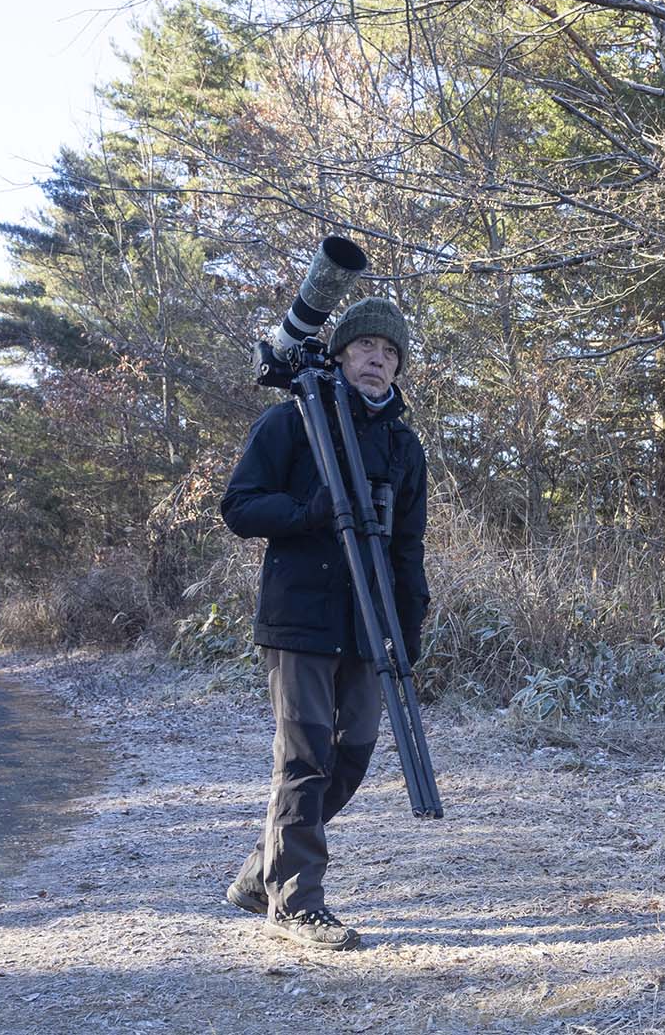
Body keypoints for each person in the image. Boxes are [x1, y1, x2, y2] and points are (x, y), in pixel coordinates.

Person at [219, 297, 430, 950]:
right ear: (341, 353)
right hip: (300, 619)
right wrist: (312, 510)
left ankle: (262, 874)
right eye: (367, 346)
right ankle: (298, 903)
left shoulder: (402, 443)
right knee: (307, 759)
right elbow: (241, 506)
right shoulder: (291, 422)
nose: (379, 359)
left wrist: (410, 621)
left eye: (391, 353)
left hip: (367, 622)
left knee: (353, 755)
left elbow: (408, 547)